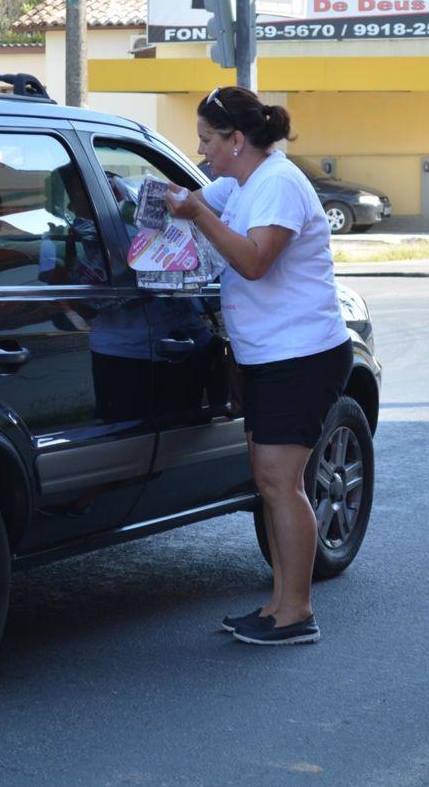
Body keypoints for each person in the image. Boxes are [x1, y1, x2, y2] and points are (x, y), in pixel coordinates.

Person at [165, 86, 351, 646]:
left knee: (281, 482)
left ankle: (297, 611)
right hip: (270, 356)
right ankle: (277, 604)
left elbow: (252, 261)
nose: (201, 152)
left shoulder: (277, 184)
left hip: (303, 355)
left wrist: (196, 212)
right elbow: (196, 194)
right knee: (270, 482)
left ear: (237, 140)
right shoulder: (242, 182)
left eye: (207, 140)